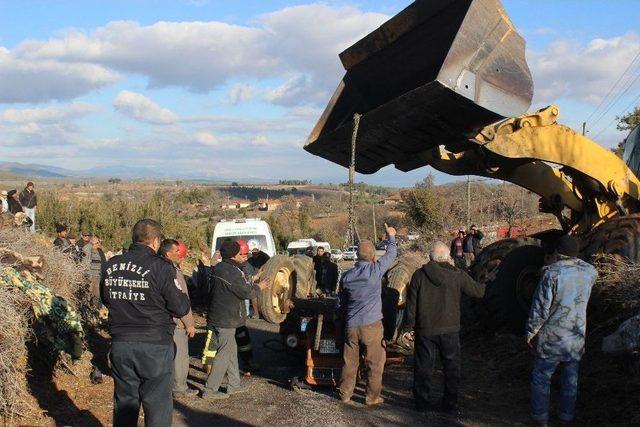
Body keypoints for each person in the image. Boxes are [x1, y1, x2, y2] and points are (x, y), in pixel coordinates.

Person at [101, 218, 192, 427]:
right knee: (158, 406)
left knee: (125, 404)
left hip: (121, 344)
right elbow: (180, 307)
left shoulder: (112, 265)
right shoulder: (161, 267)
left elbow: (106, 298)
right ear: (156, 241)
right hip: (154, 346)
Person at [402, 241, 485, 413]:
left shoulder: (419, 275)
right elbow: (478, 292)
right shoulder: (457, 275)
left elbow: (411, 304)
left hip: (425, 330)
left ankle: (422, 404)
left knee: (424, 367)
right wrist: (488, 280)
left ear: (429, 256)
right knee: (451, 368)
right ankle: (449, 404)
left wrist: (408, 327)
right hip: (450, 330)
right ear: (448, 256)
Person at [525, 235, 597, 426]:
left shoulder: (551, 274)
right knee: (570, 379)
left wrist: (531, 332)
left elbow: (540, 309)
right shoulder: (590, 272)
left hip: (552, 338)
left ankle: (540, 418)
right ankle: (567, 417)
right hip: (576, 336)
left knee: (542, 378)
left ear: (558, 252)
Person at [202, 240, 270, 400]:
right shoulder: (231, 272)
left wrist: (254, 278)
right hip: (226, 320)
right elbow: (245, 292)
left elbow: (238, 284)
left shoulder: (221, 268)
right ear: (234, 255)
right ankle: (210, 390)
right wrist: (260, 287)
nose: (245, 257)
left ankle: (234, 385)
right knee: (223, 355)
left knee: (231, 352)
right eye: (242, 254)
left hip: (221, 317)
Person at [338, 223, 397, 406]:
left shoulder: (346, 277)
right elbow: (391, 254)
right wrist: (391, 237)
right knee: (375, 363)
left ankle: (345, 394)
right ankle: (372, 397)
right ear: (373, 256)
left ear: (357, 256)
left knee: (350, 362)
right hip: (371, 325)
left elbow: (340, 303)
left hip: (351, 325)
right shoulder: (375, 270)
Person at [159, 239, 197, 396]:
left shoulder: (158, 268)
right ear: (169, 254)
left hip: (163, 321)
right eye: (179, 255)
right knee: (180, 356)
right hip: (177, 321)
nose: (181, 258)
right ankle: (180, 387)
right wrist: (189, 323)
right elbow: (181, 299)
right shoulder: (173, 272)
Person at [89, 236, 107, 306]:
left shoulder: (100, 251)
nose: (99, 244)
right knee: (93, 293)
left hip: (100, 274)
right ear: (92, 244)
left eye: (99, 242)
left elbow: (104, 262)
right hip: (92, 275)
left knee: (99, 292)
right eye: (96, 243)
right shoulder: (89, 251)